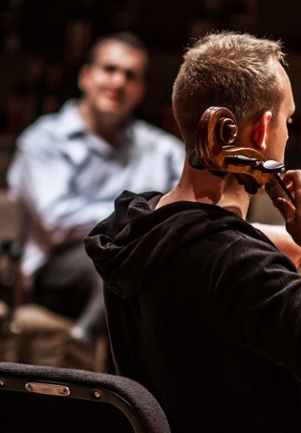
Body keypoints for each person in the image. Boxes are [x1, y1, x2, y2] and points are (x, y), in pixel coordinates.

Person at [83, 32, 301, 432]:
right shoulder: (238, 264)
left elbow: (195, 237)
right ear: (262, 131)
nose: (287, 133)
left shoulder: (132, 227)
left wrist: (267, 237)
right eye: (288, 120)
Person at [7, 32, 185, 352]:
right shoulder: (44, 140)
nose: (118, 82)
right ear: (86, 76)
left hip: (139, 265)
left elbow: (186, 205)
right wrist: (140, 215)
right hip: (57, 270)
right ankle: (86, 343)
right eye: (109, 69)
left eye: (129, 75)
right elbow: (56, 220)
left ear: (140, 90)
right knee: (118, 257)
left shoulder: (163, 150)